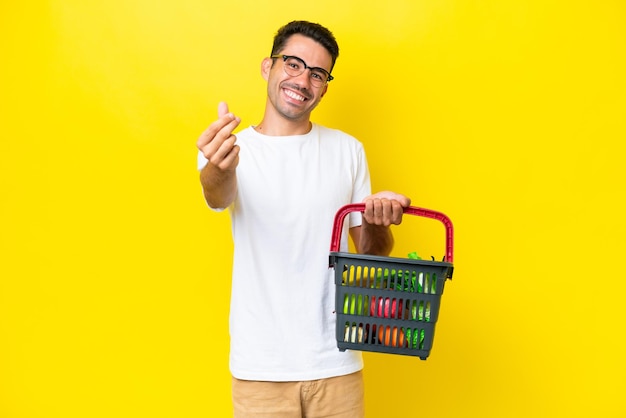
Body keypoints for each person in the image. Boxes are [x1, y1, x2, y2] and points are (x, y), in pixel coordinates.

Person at [196, 20, 411, 418]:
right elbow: (216, 191)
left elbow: (371, 253)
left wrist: (378, 222)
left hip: (336, 362)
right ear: (268, 67)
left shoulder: (348, 150)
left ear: (325, 86)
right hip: (260, 368)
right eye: (293, 64)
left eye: (317, 74)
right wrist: (219, 166)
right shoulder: (230, 149)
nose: (303, 80)